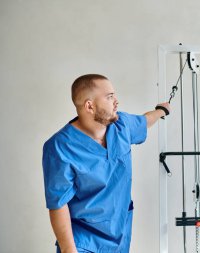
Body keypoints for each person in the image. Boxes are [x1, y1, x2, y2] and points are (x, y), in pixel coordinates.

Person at [42, 74, 170, 253]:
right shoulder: (60, 147)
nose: (116, 101)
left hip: (119, 234)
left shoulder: (121, 126)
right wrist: (69, 250)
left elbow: (145, 120)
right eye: (109, 97)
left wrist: (161, 111)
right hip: (83, 241)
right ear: (90, 105)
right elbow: (58, 203)